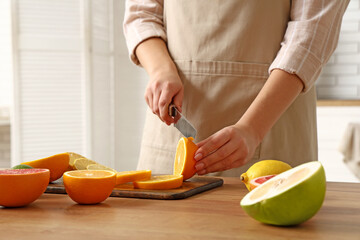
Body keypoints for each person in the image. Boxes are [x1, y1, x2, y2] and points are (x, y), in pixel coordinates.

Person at [123, 0, 350, 177]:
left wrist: (253, 129)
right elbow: (141, 14)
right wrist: (161, 70)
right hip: (169, 136)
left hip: (273, 131)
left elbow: (312, 34)